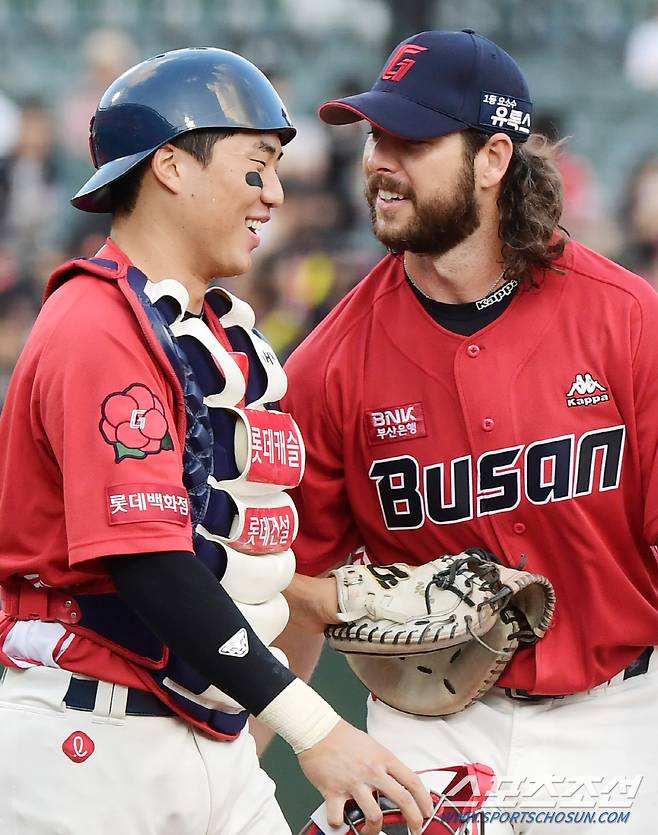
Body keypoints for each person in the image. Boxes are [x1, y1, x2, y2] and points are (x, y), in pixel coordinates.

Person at [0, 47, 432, 835]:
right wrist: (317, 727)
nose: (274, 191)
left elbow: (218, 550)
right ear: (170, 166)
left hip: (208, 733)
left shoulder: (203, 329)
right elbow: (147, 562)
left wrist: (331, 600)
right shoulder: (97, 323)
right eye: (255, 164)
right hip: (89, 742)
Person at [279, 29, 658, 833]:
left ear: (492, 158)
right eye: (376, 136)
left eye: (411, 140)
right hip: (426, 732)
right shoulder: (328, 364)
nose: (380, 160)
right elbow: (290, 581)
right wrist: (272, 742)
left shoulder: (627, 321)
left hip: (615, 720)